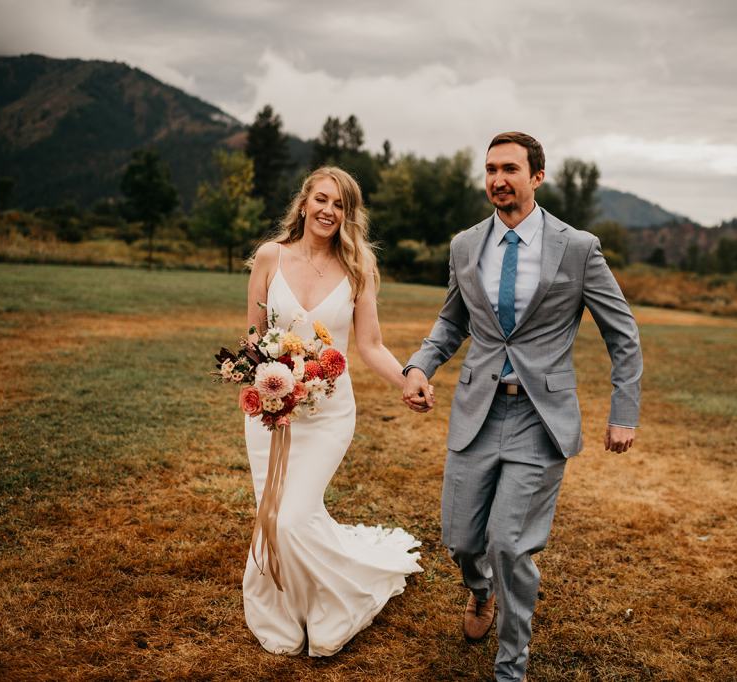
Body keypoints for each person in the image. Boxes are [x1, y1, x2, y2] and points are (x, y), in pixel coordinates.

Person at [402, 132, 643, 682]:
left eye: (510, 169)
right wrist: (419, 366)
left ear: (537, 176)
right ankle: (479, 590)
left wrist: (623, 412)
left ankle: (511, 666)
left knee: (509, 545)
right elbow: (452, 320)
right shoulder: (465, 245)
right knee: (462, 540)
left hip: (540, 418)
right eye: (491, 169)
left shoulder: (578, 248)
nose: (498, 179)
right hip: (477, 412)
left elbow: (622, 333)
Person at [242, 166, 422, 656]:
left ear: (348, 215)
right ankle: (283, 609)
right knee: (273, 515)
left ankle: (333, 604)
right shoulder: (270, 257)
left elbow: (371, 345)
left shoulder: (358, 268)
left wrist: (407, 379)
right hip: (271, 412)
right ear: (304, 203)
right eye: (321, 199)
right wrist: (254, 377)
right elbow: (253, 337)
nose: (328, 210)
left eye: (340, 204)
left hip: (328, 413)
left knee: (293, 516)